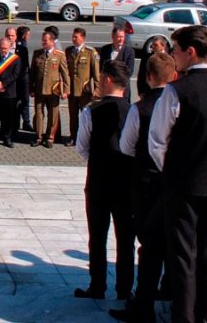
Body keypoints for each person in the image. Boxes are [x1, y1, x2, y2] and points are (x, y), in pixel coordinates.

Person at [147, 25, 207, 323]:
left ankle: (186, 316)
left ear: (190, 52)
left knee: (183, 256)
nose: (173, 56)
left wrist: (175, 170)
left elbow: (157, 141)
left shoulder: (177, 91)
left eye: (175, 51)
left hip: (183, 184)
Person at [113, 53, 177, 323]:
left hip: (147, 183)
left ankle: (144, 303)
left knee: (149, 246)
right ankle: (170, 290)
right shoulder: (180, 102)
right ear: (173, 76)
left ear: (148, 78)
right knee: (174, 243)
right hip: (176, 184)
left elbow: (127, 146)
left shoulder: (140, 108)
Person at [73, 60, 134, 301]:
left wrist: (98, 159)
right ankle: (124, 288)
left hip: (99, 180)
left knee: (97, 237)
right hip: (126, 182)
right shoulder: (133, 110)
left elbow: (81, 148)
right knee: (125, 238)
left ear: (107, 80)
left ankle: (97, 285)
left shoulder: (91, 110)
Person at [30, 30, 69, 148]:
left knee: (53, 114)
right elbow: (33, 72)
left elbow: (65, 73)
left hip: (53, 90)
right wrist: (31, 88)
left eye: (46, 40)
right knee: (38, 113)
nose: (43, 42)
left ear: (52, 42)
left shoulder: (59, 55)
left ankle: (50, 137)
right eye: (43, 40)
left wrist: (66, 91)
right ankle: (38, 136)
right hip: (39, 89)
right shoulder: (37, 53)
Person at [67, 27, 100, 145]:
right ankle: (73, 137)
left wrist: (97, 90)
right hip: (72, 90)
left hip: (85, 91)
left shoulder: (91, 52)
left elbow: (96, 74)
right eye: (73, 36)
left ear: (83, 38)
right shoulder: (69, 51)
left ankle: (86, 138)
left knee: (85, 117)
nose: (73, 39)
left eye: (76, 37)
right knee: (72, 116)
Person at [0, 36, 22, 147]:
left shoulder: (16, 59)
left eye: (5, 48)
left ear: (10, 47)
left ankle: (7, 137)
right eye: (1, 48)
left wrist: (3, 84)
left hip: (9, 92)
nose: (3, 50)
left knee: (8, 117)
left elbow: (15, 75)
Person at [100, 27, 139, 99]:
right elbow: (102, 69)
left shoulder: (129, 51)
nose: (121, 39)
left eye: (122, 37)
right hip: (108, 89)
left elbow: (129, 71)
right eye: (118, 37)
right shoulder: (105, 49)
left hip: (122, 89)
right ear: (113, 36)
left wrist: (116, 81)